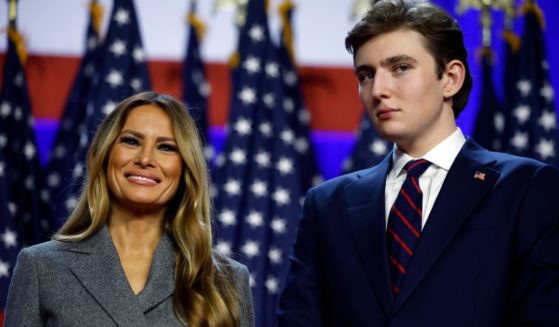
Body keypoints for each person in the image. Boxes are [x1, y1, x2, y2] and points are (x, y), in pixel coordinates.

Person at [277, 0, 559, 326]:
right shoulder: (327, 204)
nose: (379, 90)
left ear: (451, 78)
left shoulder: (525, 187)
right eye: (366, 74)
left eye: (401, 67)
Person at [4, 91, 255, 326]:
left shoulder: (226, 280)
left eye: (166, 147)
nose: (145, 159)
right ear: (105, 155)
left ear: (185, 169)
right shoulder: (40, 267)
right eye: (131, 141)